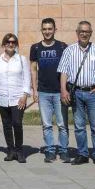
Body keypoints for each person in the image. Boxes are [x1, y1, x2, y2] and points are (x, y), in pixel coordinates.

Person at [58, 21, 95, 167]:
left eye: (87, 32)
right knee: (79, 126)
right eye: (81, 31)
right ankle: (82, 154)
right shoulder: (69, 50)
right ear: (77, 33)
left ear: (91, 33)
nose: (84, 34)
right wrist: (63, 90)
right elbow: (63, 72)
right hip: (77, 93)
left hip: (93, 93)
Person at [29, 18, 70, 163]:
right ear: (41, 30)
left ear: (55, 30)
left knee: (62, 124)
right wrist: (35, 90)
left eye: (50, 29)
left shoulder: (62, 47)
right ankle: (50, 151)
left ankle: (64, 151)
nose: (47, 32)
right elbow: (33, 70)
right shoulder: (35, 48)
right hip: (43, 92)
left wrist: (65, 90)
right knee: (46, 125)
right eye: (44, 29)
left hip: (60, 92)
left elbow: (67, 69)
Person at [0, 33, 32, 163]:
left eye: (13, 42)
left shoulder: (21, 59)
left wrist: (25, 95)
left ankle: (19, 151)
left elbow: (27, 78)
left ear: (16, 45)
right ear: (4, 44)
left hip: (18, 98)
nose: (11, 44)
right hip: (2, 97)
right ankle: (10, 150)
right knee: (6, 124)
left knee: (17, 123)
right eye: (8, 42)